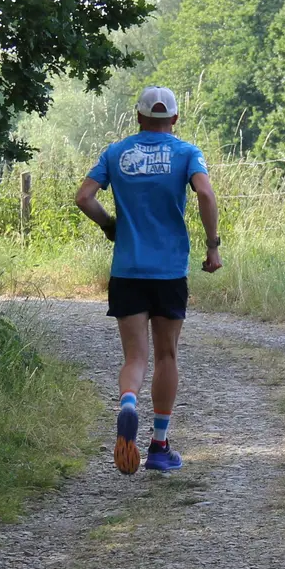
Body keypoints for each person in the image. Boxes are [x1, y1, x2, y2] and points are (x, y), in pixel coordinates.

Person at [75, 86, 223, 475]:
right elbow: (205, 194)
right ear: (174, 120)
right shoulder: (187, 153)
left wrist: (110, 225)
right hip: (170, 271)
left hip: (127, 270)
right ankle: (159, 445)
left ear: (138, 117)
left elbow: (84, 197)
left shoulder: (116, 152)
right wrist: (212, 246)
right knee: (167, 356)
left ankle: (127, 403)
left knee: (135, 358)